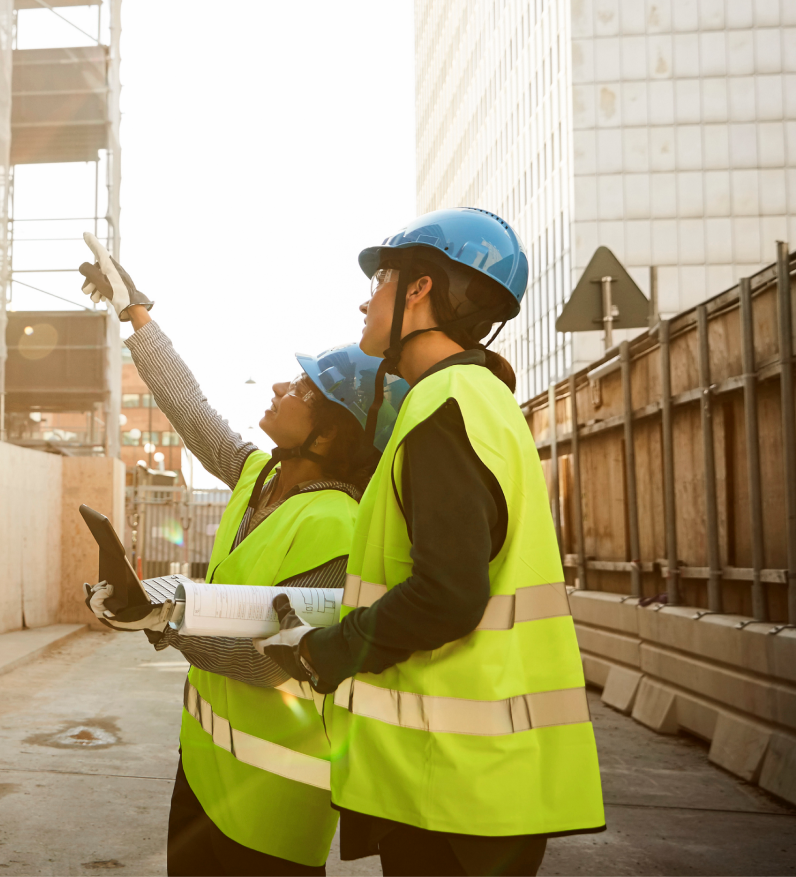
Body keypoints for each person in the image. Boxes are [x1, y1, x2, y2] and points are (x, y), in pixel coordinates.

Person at [259, 208, 605, 877]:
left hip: (452, 789)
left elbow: (449, 593)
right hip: (476, 783)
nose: (367, 298)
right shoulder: (480, 398)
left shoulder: (443, 409)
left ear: (420, 288)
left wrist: (330, 650)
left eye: (382, 280)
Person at [76, 246, 406, 877]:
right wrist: (136, 313)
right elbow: (191, 411)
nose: (282, 385)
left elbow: (276, 660)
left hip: (273, 807)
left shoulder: (338, 524)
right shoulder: (259, 475)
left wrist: (163, 614)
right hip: (202, 776)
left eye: (303, 388)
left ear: (330, 434)